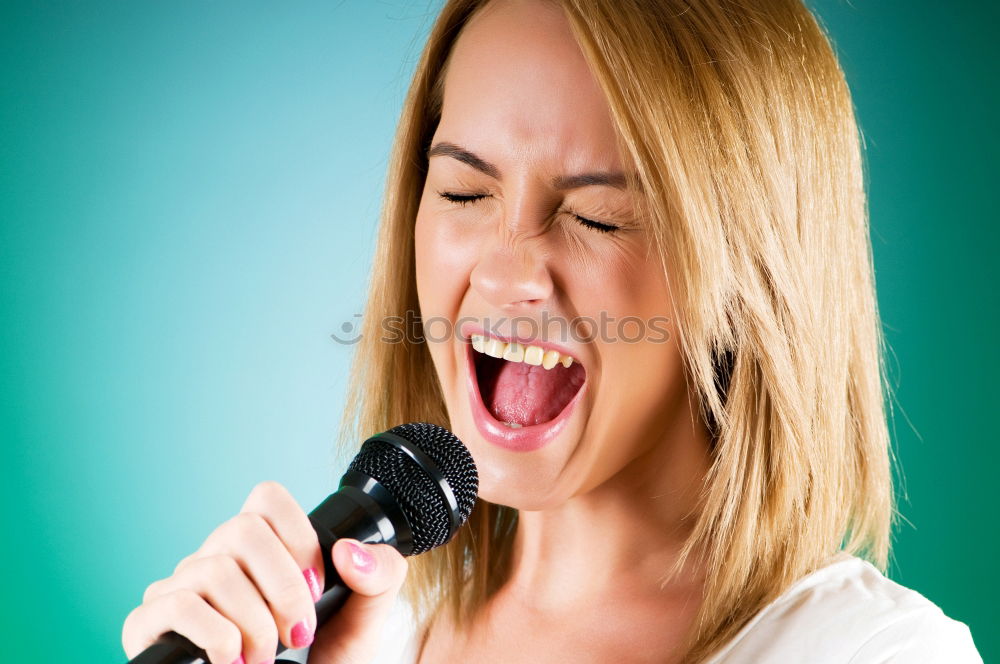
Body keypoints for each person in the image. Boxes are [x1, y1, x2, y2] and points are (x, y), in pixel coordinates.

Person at [121, 1, 984, 663]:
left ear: (756, 274)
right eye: (464, 194)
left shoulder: (871, 650)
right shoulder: (374, 633)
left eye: (601, 217)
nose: (505, 273)